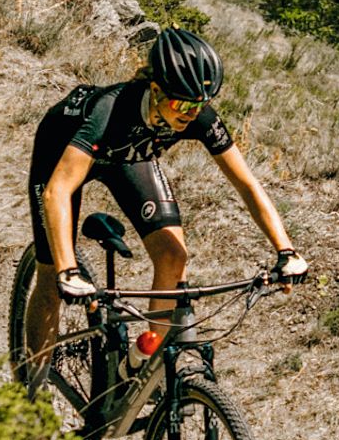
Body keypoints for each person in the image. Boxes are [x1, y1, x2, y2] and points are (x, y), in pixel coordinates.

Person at [22, 25, 306, 376]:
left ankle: (144, 362)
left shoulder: (196, 114)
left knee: (173, 256)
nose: (191, 113)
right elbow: (57, 191)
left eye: (201, 104)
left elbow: (246, 185)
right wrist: (69, 270)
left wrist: (286, 250)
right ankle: (30, 394)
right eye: (182, 103)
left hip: (129, 158)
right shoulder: (109, 110)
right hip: (63, 153)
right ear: (155, 90)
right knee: (51, 281)